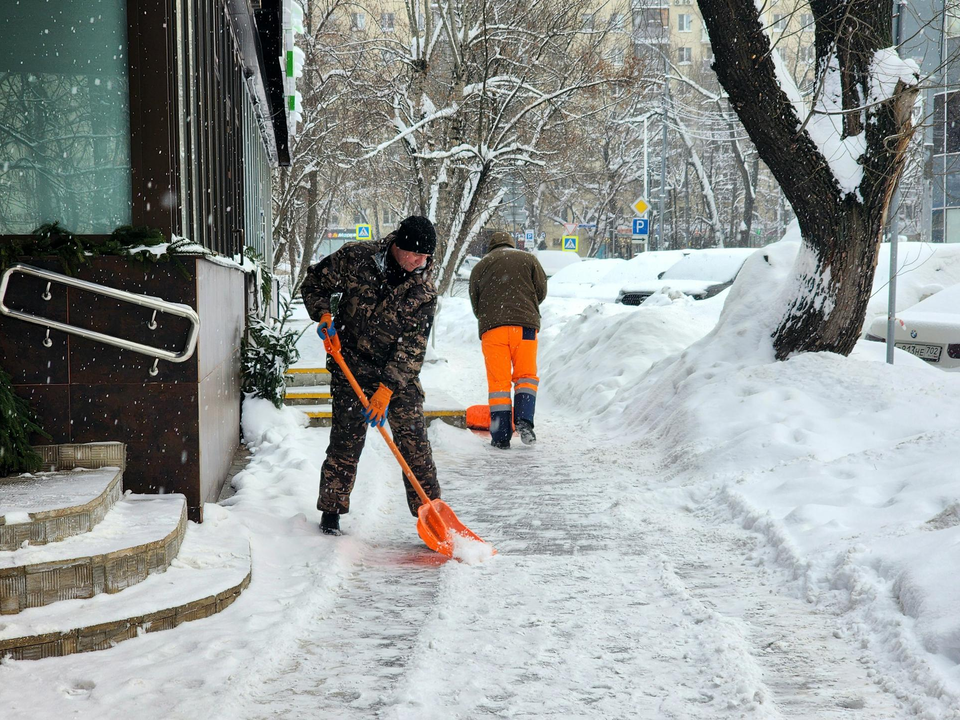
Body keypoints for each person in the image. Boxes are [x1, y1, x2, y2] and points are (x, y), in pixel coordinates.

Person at [301, 215, 441, 536]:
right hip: (350, 364)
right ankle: (331, 513)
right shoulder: (356, 257)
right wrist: (323, 315)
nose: (421, 263)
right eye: (416, 255)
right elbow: (314, 283)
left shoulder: (422, 291)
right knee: (346, 441)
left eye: (426, 258)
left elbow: (412, 349)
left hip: (397, 377)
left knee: (414, 446)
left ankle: (433, 517)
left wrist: (387, 390)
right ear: (398, 246)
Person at [468, 231, 547, 449]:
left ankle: (500, 436)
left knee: (499, 384)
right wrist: (524, 307)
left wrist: (492, 317)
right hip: (525, 328)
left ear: (490, 247)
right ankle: (524, 420)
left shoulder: (480, 266)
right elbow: (540, 291)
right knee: (526, 376)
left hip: (493, 330)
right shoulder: (528, 259)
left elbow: (476, 302)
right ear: (511, 244)